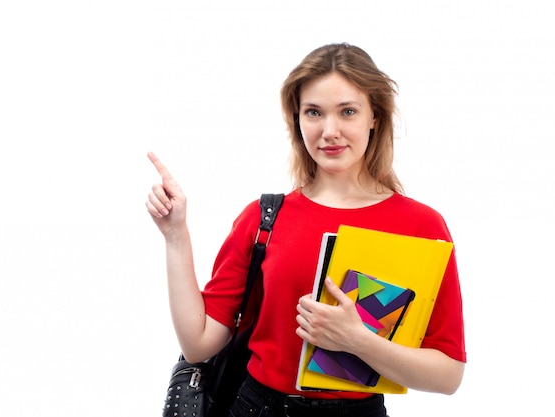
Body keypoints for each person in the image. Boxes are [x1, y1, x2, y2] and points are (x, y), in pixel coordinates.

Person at [146, 43, 466, 417]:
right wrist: (175, 236)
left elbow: (448, 375)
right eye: (314, 112)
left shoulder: (421, 226)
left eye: (347, 111)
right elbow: (199, 344)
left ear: (374, 116)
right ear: (297, 119)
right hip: (257, 408)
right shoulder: (264, 217)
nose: (330, 131)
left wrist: (358, 341)